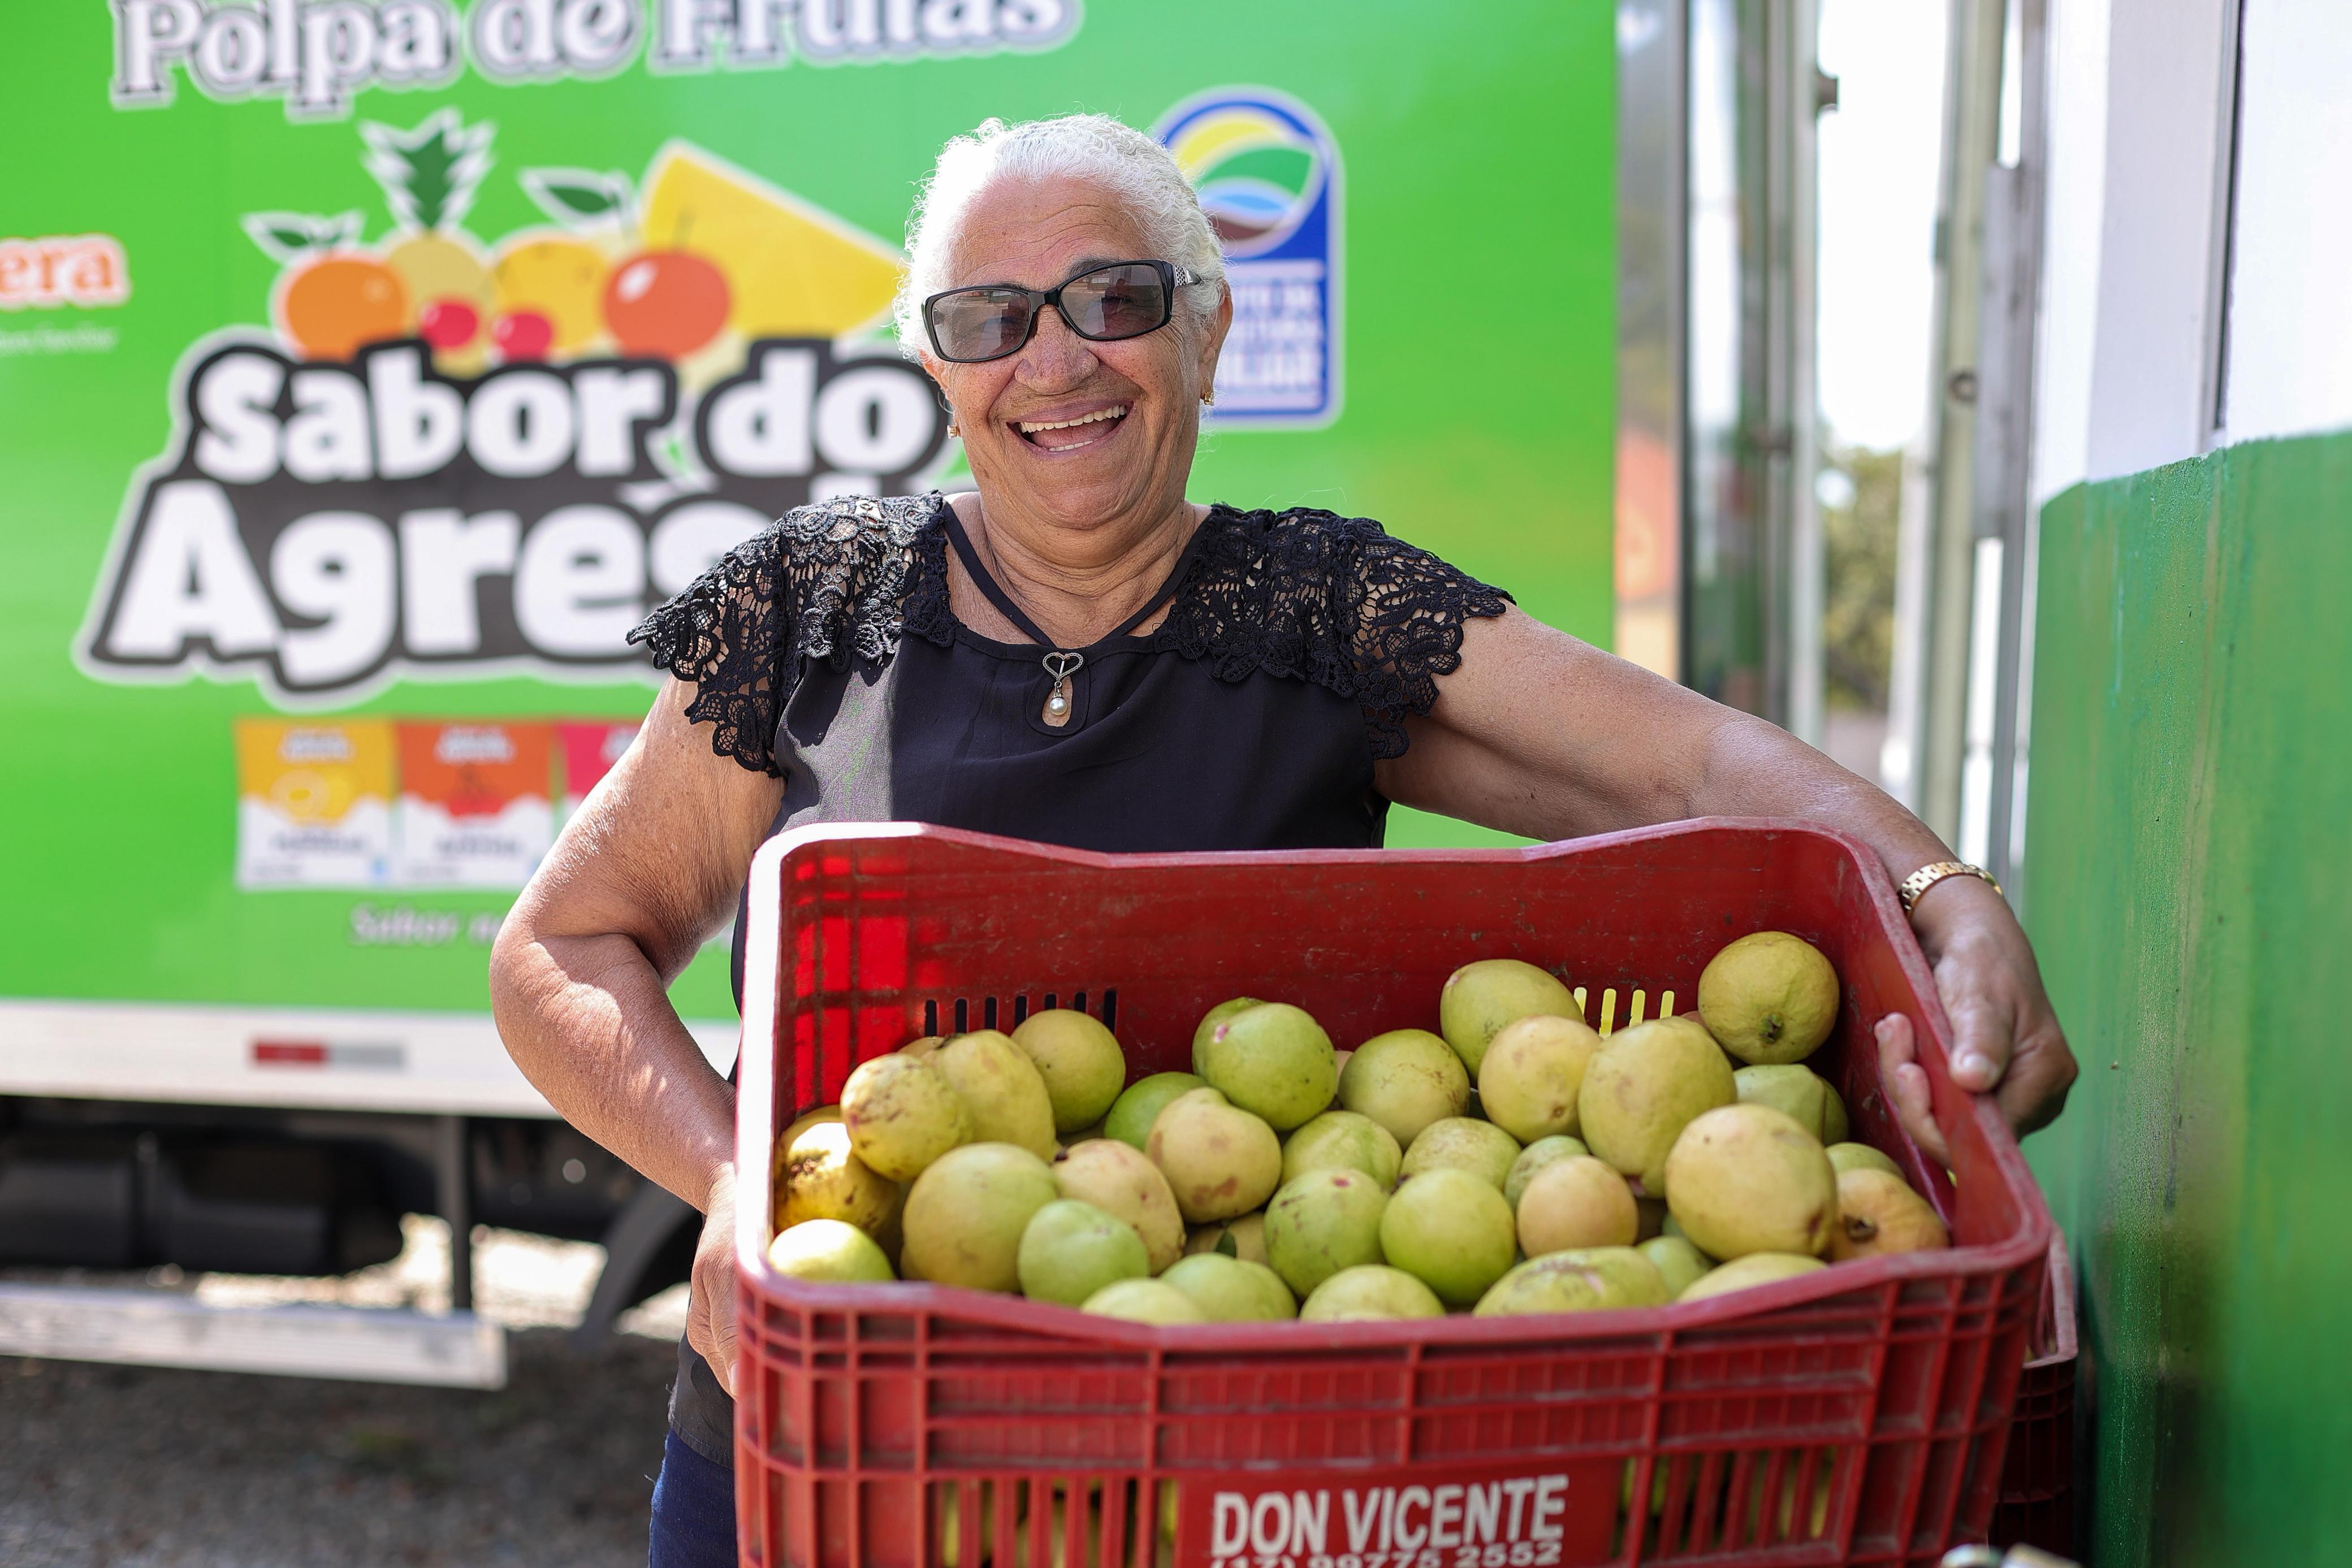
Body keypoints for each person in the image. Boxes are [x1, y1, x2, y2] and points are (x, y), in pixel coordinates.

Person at [487, 112, 2076, 1567]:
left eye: (1113, 298)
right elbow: (562, 944)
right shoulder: (812, 603)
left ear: (1207, 321)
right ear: (938, 368)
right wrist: (738, 1190)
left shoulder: (1316, 611)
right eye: (989, 322)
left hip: (1233, 1458)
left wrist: (1943, 894)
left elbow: (1690, 766)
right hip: (835, 1443)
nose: (1054, 362)